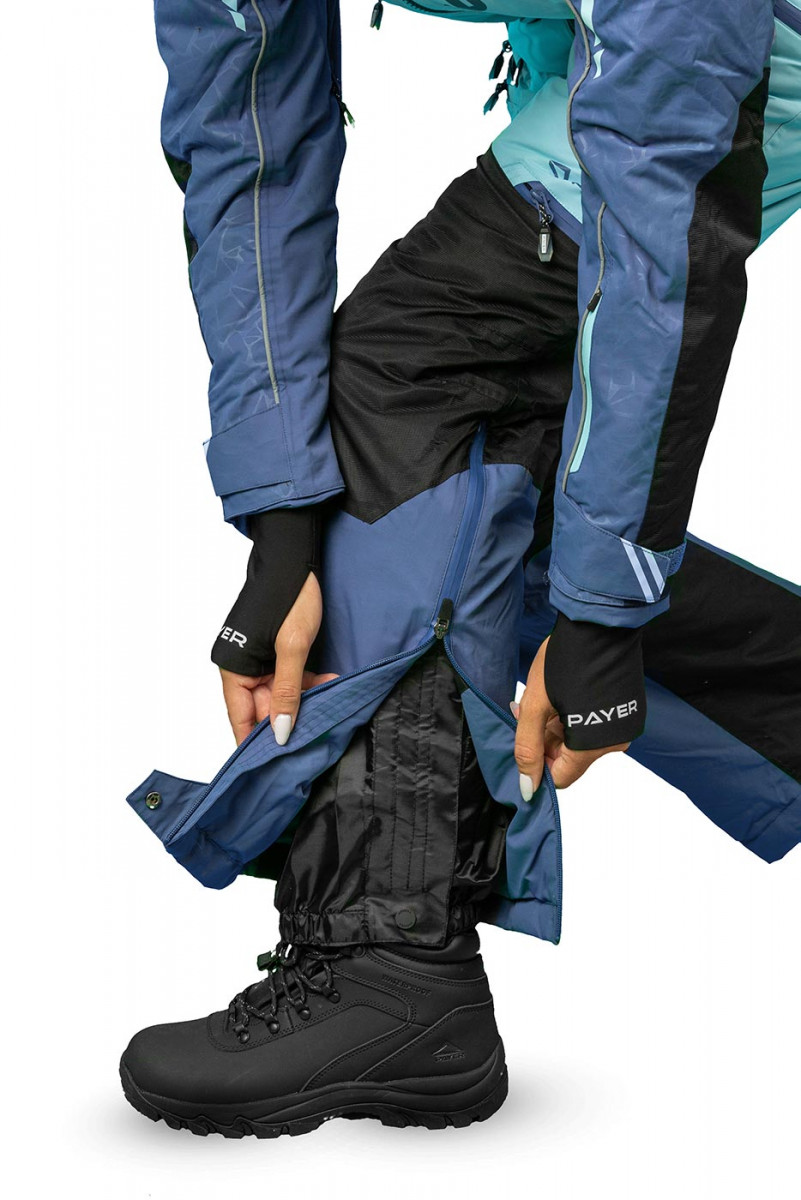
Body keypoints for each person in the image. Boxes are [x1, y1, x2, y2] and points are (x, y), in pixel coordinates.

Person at [120, 1, 801, 1137]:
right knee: (465, 503)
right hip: (632, 55)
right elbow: (245, 120)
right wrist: (283, 517)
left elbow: (662, 201)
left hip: (714, 50)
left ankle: (392, 966)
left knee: (412, 393)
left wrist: (602, 615)